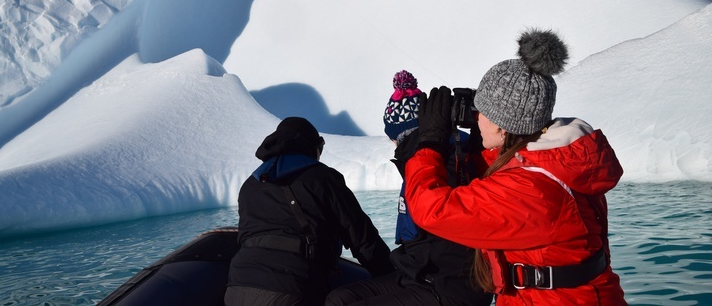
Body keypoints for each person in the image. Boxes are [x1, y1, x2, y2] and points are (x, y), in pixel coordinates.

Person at [404, 28, 627, 305]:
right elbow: (508, 169)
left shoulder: (530, 189)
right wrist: (478, 146)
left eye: (481, 112)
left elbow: (431, 210)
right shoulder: (560, 158)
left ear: (501, 124)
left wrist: (430, 144)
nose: (476, 118)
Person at [325, 71, 492, 306]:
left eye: (392, 137)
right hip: (418, 275)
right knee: (339, 299)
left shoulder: (449, 160)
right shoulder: (420, 162)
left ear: (401, 135)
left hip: (447, 284)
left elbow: (446, 222)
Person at [225, 117, 393, 306]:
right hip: (292, 289)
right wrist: (392, 277)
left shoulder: (250, 185)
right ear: (309, 147)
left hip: (236, 287)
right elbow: (361, 238)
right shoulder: (322, 177)